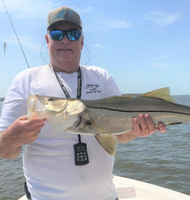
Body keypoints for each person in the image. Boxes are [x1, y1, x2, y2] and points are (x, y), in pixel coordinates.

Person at [0, 6, 166, 200]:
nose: (64, 40)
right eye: (56, 34)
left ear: (82, 40)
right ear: (47, 40)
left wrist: (137, 130)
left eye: (72, 34)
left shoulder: (102, 77)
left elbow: (121, 136)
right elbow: (5, 152)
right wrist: (11, 137)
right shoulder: (25, 80)